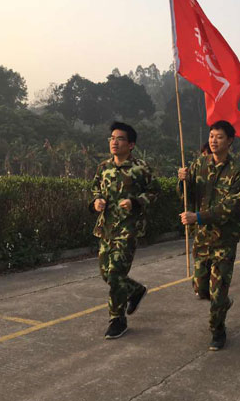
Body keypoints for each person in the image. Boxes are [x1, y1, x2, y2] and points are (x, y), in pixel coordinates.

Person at [178, 120, 240, 351]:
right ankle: (224, 302)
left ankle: (217, 331)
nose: (213, 140)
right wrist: (183, 181)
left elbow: (230, 207)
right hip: (202, 238)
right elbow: (189, 196)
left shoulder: (238, 172)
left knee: (217, 293)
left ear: (229, 141)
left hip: (224, 239)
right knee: (201, 289)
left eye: (218, 136)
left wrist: (197, 217)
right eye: (211, 136)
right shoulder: (199, 164)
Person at [90, 121, 159, 339]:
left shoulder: (140, 168)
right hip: (106, 229)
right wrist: (96, 202)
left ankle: (117, 319)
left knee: (116, 273)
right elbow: (94, 190)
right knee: (106, 275)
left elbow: (155, 192)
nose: (114, 142)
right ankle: (136, 290)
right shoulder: (103, 167)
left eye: (119, 138)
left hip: (128, 230)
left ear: (131, 144)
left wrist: (135, 202)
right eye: (111, 138)